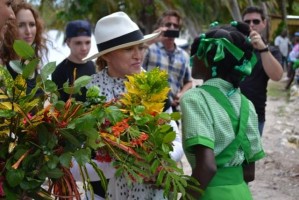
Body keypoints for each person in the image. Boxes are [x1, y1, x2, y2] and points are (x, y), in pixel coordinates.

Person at [80, 11, 184, 199]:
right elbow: (77, 156)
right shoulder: (87, 91)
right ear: (108, 55)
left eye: (140, 47)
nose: (138, 55)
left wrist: (156, 163)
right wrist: (120, 165)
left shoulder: (154, 85)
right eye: (129, 49)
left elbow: (175, 141)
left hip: (153, 192)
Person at [181, 21, 265, 200]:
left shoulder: (195, 98)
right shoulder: (246, 104)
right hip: (241, 192)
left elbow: (207, 167)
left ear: (208, 58)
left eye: (195, 52)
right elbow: (249, 173)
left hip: (210, 193)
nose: (192, 58)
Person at [241, 6, 283, 135]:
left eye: (256, 21)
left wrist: (262, 48)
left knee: (250, 154)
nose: (251, 25)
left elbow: (277, 76)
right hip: (228, 113)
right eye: (247, 22)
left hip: (255, 114)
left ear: (264, 24)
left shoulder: (272, 51)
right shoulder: (234, 47)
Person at [142, 10, 192, 114]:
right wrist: (153, 38)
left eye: (175, 25)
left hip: (172, 110)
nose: (172, 28)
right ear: (161, 26)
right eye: (168, 24)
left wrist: (182, 93)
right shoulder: (150, 49)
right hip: (148, 108)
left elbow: (189, 81)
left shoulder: (184, 56)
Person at [0, 0, 47, 95]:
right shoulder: (4, 68)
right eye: (21, 25)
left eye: (32, 24)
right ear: (8, 27)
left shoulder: (32, 64)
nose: (28, 31)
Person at [51, 20, 96, 102]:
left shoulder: (95, 67)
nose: (84, 48)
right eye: (78, 43)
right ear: (68, 42)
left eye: (87, 42)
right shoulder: (59, 71)